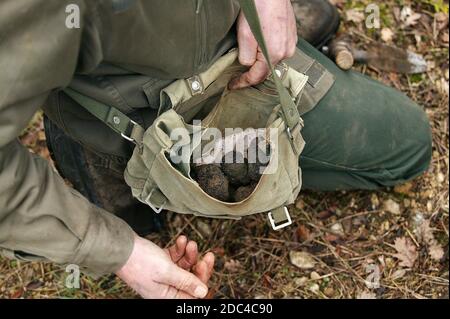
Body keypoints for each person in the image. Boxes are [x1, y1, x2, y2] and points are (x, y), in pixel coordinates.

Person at [0, 0, 431, 299]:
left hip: (222, 28)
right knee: (408, 149)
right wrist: (118, 252)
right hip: (138, 99)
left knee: (405, 137)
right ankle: (91, 139)